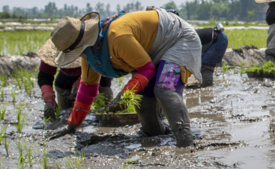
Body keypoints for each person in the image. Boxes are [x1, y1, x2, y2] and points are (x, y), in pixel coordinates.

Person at [45, 8, 202, 147]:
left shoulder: (117, 37)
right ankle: (156, 135)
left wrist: (123, 96)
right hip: (151, 50)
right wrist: (72, 125)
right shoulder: (89, 56)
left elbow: (146, 70)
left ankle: (185, 141)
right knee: (143, 103)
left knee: (164, 89)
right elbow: (86, 91)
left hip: (177, 39)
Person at [35, 39, 112, 121]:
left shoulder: (95, 45)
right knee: (65, 118)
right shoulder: (55, 49)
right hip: (65, 85)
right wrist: (49, 98)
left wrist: (82, 82)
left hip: (99, 83)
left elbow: (107, 68)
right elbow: (44, 75)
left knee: (103, 116)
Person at [193, 23, 228, 87]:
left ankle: (207, 86)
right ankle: (205, 84)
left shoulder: (184, 43)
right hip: (216, 37)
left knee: (206, 65)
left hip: (219, 39)